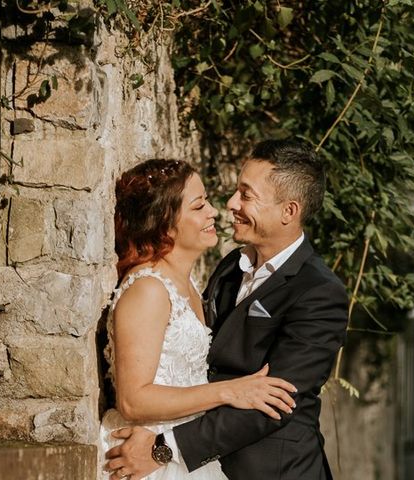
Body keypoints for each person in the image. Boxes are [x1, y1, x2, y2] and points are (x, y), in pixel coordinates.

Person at [105, 140, 349, 480]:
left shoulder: (319, 293)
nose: (230, 204)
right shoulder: (231, 265)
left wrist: (164, 448)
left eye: (246, 195)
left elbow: (272, 406)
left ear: (288, 212)